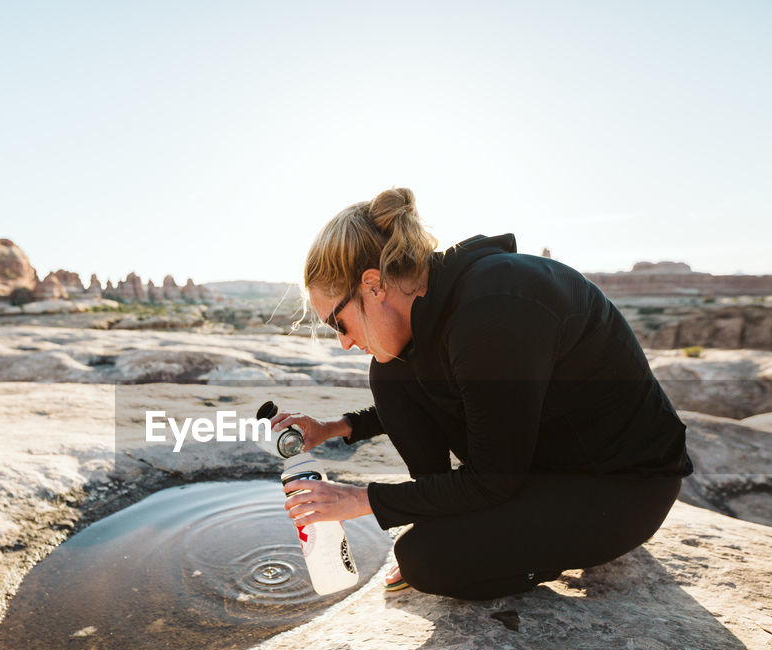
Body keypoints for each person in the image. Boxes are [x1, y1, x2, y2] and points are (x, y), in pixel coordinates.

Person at [273, 188, 693, 600]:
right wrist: (332, 428)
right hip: (546, 463)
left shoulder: (493, 309)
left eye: (338, 323)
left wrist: (360, 499)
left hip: (622, 486)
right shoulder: (440, 302)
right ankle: (462, 522)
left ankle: (504, 550)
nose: (343, 342)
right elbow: (464, 394)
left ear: (373, 285)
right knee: (389, 372)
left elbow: (495, 476)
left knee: (429, 560)